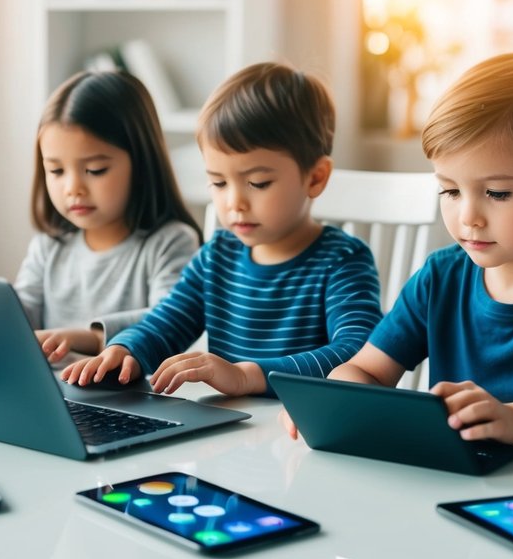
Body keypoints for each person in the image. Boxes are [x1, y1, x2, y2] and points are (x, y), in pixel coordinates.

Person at [287, 54, 513, 446]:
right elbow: (366, 371)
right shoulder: (438, 279)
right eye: (449, 190)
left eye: (496, 193)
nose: (469, 217)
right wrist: (330, 401)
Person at [61, 62, 383, 397]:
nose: (234, 202)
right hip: (230, 433)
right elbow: (166, 322)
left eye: (258, 182)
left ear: (315, 178)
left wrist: (247, 376)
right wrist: (124, 350)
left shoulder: (343, 261)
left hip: (301, 431)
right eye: (218, 182)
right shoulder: (217, 256)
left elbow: (359, 354)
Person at [15, 70, 201, 362]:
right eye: (56, 171)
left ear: (141, 163)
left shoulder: (171, 242)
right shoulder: (48, 245)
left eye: (95, 170)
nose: (73, 188)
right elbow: (20, 312)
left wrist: (81, 337)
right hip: (52, 392)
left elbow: (170, 321)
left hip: (130, 397)